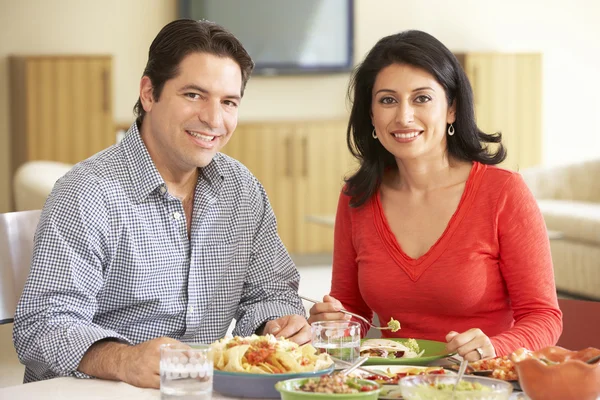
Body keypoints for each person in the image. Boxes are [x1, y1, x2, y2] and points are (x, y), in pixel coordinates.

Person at [13, 19, 310, 387]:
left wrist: (278, 323)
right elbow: (42, 324)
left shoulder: (243, 190)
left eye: (228, 102)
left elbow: (270, 292)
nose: (214, 119)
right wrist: (123, 360)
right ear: (149, 94)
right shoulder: (87, 192)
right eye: (193, 95)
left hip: (200, 389)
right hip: (97, 391)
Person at [308, 30, 562, 361]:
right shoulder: (357, 197)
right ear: (371, 115)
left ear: (452, 108)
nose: (403, 116)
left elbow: (544, 316)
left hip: (478, 384)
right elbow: (352, 310)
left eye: (422, 98)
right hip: (389, 382)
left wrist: (493, 347)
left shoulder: (503, 192)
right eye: (387, 100)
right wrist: (333, 322)